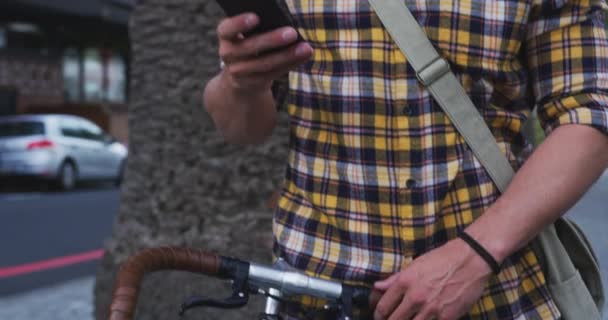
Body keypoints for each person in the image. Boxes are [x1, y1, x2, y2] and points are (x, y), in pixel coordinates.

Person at [203, 0, 608, 319]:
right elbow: (242, 128)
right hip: (316, 292)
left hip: (494, 292)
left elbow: (589, 115)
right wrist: (240, 83)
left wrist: (474, 255)